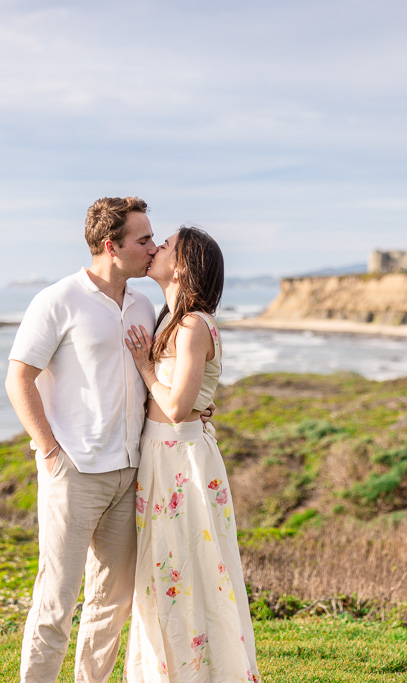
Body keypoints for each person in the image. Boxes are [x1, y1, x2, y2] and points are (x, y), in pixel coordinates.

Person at [5, 196, 158, 682]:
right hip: (73, 474)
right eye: (144, 239)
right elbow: (18, 378)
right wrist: (50, 451)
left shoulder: (145, 303)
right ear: (111, 246)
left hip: (130, 472)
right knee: (56, 602)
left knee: (111, 605)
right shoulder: (57, 300)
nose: (153, 247)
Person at [122, 226, 260, 681]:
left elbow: (180, 407)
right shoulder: (170, 319)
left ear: (182, 266)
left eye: (165, 246)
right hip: (165, 456)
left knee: (189, 571)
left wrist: (144, 367)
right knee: (167, 574)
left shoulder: (193, 324)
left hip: (182, 463)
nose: (155, 248)